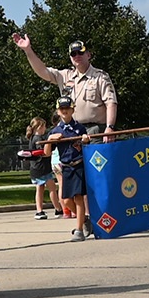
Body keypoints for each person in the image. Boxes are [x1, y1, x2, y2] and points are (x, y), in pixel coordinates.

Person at [11, 34, 117, 137]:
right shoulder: (65, 76)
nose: (77, 56)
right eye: (73, 54)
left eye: (80, 52)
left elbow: (111, 103)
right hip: (71, 131)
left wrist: (110, 127)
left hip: (95, 131)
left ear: (88, 55)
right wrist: (28, 50)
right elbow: (42, 71)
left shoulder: (100, 76)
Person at [46, 95, 90, 239]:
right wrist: (49, 140)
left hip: (78, 165)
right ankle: (84, 220)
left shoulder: (79, 128)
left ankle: (79, 230)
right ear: (58, 111)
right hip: (66, 167)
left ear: (72, 110)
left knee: (78, 197)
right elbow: (47, 153)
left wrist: (85, 140)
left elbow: (87, 144)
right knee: (65, 200)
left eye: (67, 108)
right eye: (62, 109)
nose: (65, 111)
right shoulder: (55, 131)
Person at [21, 117, 54, 220]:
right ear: (39, 127)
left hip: (35, 168)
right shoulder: (38, 139)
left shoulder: (32, 138)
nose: (45, 128)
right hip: (42, 167)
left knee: (40, 189)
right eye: (44, 126)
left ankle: (39, 210)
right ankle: (58, 208)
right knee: (52, 188)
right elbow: (43, 153)